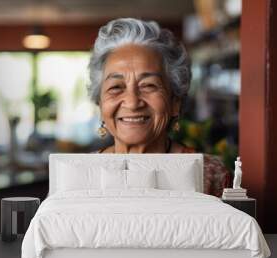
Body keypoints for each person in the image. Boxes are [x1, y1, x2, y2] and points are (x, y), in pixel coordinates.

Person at [88, 18, 230, 196]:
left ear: (174, 102)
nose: (132, 103)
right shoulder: (80, 174)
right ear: (100, 105)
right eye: (116, 87)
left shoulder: (209, 175)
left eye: (149, 85)